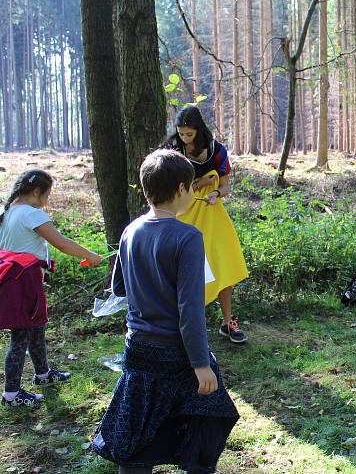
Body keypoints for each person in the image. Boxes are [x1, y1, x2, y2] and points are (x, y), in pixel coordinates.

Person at [92, 149, 239, 474]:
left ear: (146, 190)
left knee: (136, 433)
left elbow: (119, 287)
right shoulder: (188, 236)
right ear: (181, 190)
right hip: (176, 356)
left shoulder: (131, 231)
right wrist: (201, 365)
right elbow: (190, 311)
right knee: (204, 421)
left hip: (139, 352)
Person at [0, 170, 104, 407]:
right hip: (24, 283)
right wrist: (89, 255)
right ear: (37, 192)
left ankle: (43, 374)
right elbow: (61, 243)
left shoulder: (1, 213)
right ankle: (11, 394)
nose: (47, 200)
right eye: (47, 194)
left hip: (10, 280)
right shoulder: (32, 214)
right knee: (20, 337)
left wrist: (2, 272)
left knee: (36, 327)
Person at [164, 106, 249, 343]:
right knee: (186, 270)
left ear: (199, 131)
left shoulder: (217, 151)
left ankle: (227, 321)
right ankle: (182, 324)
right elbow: (168, 188)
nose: (184, 138)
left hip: (212, 215)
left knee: (224, 266)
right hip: (183, 216)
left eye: (189, 134)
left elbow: (224, 187)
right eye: (181, 133)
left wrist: (216, 194)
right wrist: (201, 183)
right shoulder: (172, 151)